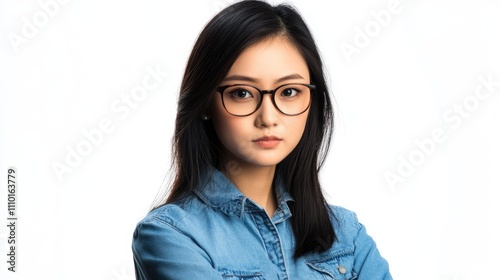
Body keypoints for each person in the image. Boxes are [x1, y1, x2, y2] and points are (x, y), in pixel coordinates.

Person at [132, 1, 392, 279]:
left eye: (289, 91)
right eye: (242, 93)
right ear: (206, 103)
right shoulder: (170, 235)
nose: (268, 118)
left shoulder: (346, 235)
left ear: (312, 100)